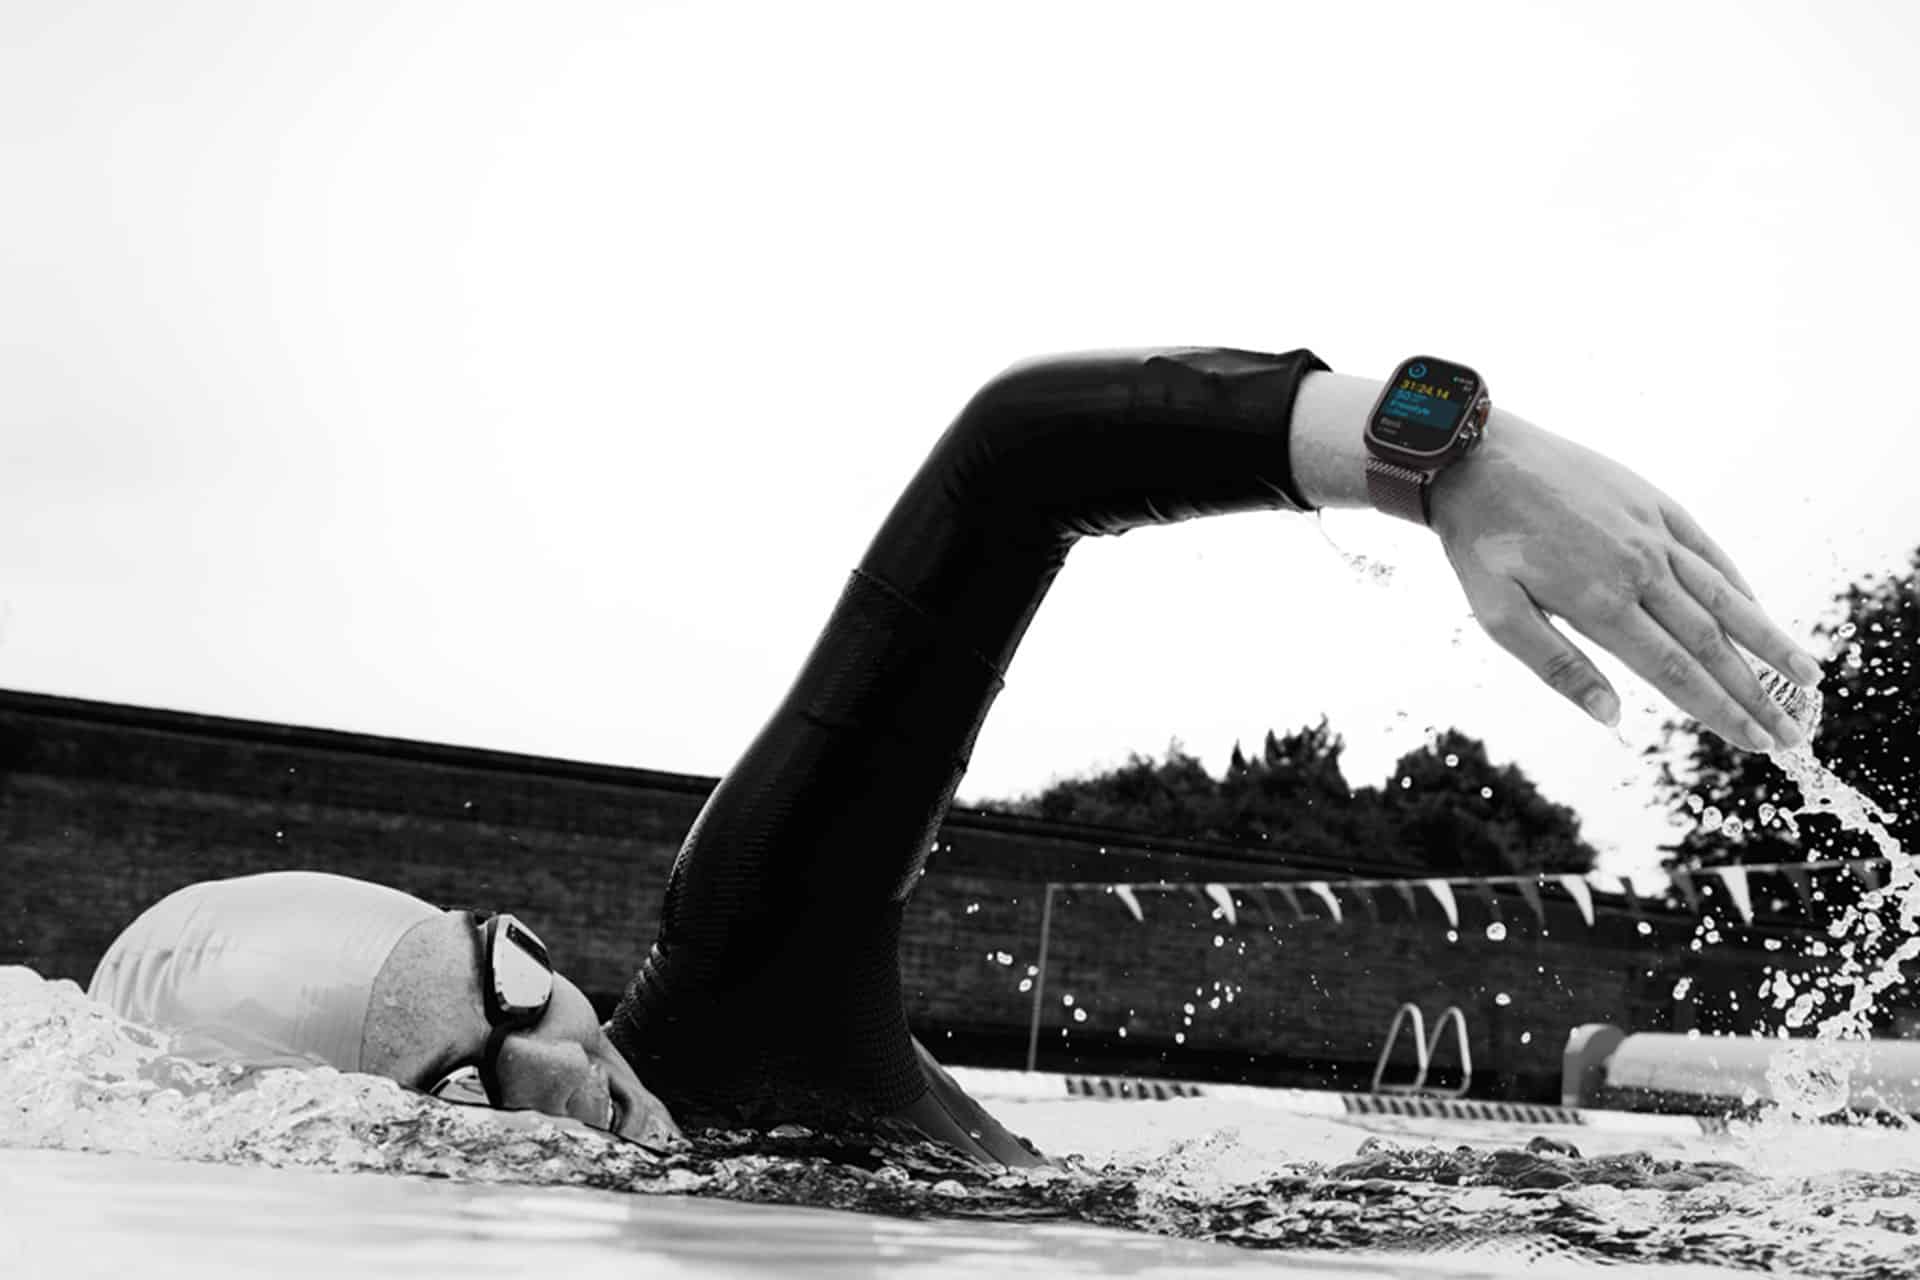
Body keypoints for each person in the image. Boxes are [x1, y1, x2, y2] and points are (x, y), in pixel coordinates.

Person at [92, 347, 1822, 1166]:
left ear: (527, 949)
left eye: (509, 1010)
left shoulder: (744, 984)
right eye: (445, 1107)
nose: (540, 1093)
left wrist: (1447, 456)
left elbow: (1014, 462)